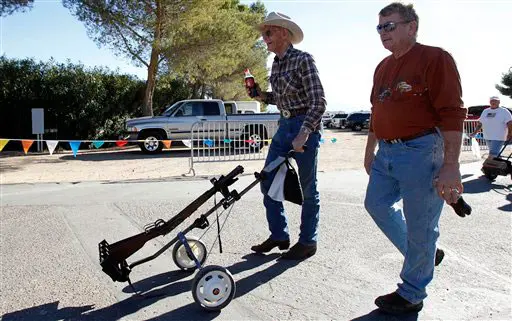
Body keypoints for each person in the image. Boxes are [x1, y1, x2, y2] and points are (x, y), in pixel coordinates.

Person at [363, 2, 467, 315]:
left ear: (412, 26)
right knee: (377, 205)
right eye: (380, 27)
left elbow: (452, 113)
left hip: (422, 151)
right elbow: (375, 111)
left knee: (422, 226)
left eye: (390, 25)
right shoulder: (382, 66)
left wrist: (451, 166)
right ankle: (425, 255)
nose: (383, 33)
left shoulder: (435, 58)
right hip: (387, 152)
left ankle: (411, 292)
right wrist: (369, 152)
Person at [247, 12, 326, 260]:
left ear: (284, 32)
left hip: (305, 127)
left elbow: (319, 102)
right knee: (267, 179)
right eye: (263, 34)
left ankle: (307, 242)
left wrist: (304, 132)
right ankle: (279, 235)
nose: (264, 38)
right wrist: (261, 96)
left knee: (308, 189)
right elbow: (279, 99)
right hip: (285, 124)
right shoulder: (277, 64)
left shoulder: (303, 60)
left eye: (268, 33)